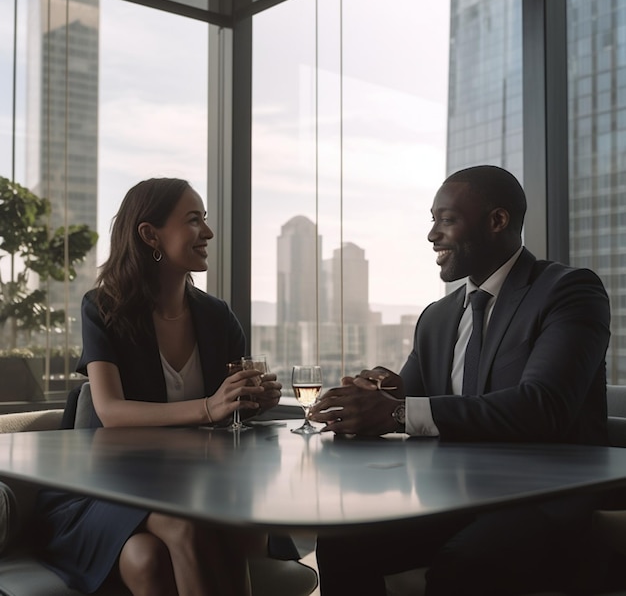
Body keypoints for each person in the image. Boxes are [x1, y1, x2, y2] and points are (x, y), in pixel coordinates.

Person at [309, 165, 611, 596]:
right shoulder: (437, 317)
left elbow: (544, 407)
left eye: (446, 220)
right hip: (454, 494)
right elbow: (412, 399)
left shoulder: (568, 290)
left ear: (497, 220)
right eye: (432, 220)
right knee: (340, 543)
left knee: (463, 564)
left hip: (541, 496)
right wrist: (378, 393)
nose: (432, 234)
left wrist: (397, 411)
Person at [34, 178, 282, 596]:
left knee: (146, 558)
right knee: (186, 524)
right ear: (150, 234)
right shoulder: (102, 307)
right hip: (108, 487)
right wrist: (208, 407)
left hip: (195, 482)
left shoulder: (217, 316)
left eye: (205, 220)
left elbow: (229, 412)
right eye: (193, 221)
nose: (208, 232)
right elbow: (111, 412)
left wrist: (251, 400)